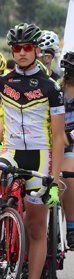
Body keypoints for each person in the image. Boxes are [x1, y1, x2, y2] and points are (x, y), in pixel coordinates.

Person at [0, 23, 65, 279]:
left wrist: (55, 179)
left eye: (27, 48)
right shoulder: (1, 83)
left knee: (36, 227)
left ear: (37, 51)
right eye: (17, 48)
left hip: (39, 157)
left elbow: (60, 137)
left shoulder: (51, 88)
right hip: (11, 152)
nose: (22, 53)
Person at [60, 51, 74, 246]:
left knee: (69, 175)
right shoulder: (57, 90)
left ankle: (71, 225)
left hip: (71, 139)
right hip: (57, 136)